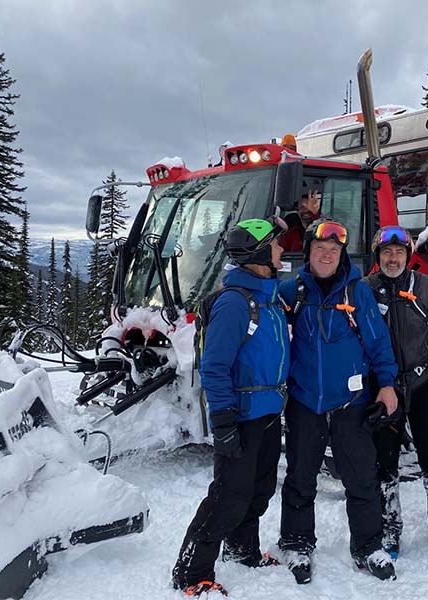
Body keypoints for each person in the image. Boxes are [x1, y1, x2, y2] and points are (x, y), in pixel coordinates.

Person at [171, 218, 289, 597]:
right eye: (275, 244)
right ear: (257, 254)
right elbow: (215, 366)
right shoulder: (235, 304)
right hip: (240, 415)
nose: (281, 250)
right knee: (228, 496)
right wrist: (223, 419)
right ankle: (192, 572)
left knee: (260, 488)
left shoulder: (268, 298)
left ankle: (242, 549)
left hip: (269, 411)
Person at [278, 219, 399, 584]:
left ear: (341, 254)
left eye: (333, 250)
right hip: (304, 402)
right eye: (320, 250)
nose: (327, 255)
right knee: (300, 478)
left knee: (362, 478)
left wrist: (388, 384)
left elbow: (378, 341)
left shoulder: (357, 292)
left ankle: (368, 546)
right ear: (309, 254)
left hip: (350, 402)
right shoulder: (291, 291)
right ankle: (297, 544)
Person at [363, 226, 428, 567]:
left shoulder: (425, 287)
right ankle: (388, 528)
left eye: (399, 253)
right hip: (383, 389)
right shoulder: (365, 290)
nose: (393, 259)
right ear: (378, 256)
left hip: (424, 385)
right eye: (386, 253)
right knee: (382, 466)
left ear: (408, 256)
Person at [278, 186, 321, 252]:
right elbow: (281, 253)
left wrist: (315, 213)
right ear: (297, 210)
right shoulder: (290, 234)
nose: (306, 210)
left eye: (309, 207)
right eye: (302, 207)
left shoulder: (323, 229)